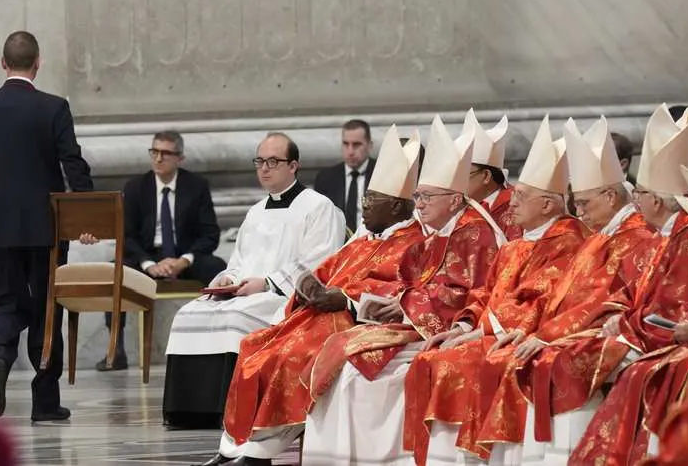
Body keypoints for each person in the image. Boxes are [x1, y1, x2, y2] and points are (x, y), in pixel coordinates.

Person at [202, 127, 427, 466]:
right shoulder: (365, 239)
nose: (362, 207)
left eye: (371, 200)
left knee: (287, 357)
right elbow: (325, 269)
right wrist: (309, 288)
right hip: (316, 314)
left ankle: (259, 453)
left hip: (349, 321)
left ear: (396, 206)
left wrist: (343, 300)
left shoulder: (414, 243)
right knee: (254, 345)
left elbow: (399, 293)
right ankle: (230, 448)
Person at [510, 105, 688, 465]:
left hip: (664, 337)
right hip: (636, 330)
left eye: (640, 195)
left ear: (653, 200)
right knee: (546, 357)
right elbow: (627, 293)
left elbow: (673, 306)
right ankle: (552, 455)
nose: (634, 201)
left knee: (576, 362)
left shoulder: (687, 235)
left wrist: (621, 325)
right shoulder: (662, 233)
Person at [301, 115, 502, 465]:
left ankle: (381, 458)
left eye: (425, 197)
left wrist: (406, 305)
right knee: (339, 348)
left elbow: (466, 292)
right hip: (419, 318)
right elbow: (417, 280)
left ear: (455, 200)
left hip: (451, 327)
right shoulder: (442, 228)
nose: (418, 205)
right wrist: (395, 302)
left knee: (354, 368)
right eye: (418, 196)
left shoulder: (476, 233)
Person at [402, 117, 588, 465]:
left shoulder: (567, 240)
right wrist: (462, 327)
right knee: (431, 358)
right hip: (492, 333)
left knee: (448, 363)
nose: (510, 203)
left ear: (547, 205)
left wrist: (480, 332)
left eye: (520, 196)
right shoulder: (517, 244)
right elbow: (484, 293)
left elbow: (541, 299)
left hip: (520, 336)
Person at [476, 116, 655, 464]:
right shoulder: (601, 235)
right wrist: (537, 332)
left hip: (612, 332)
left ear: (610, 195)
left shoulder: (633, 237)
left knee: (540, 361)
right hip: (568, 331)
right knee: (521, 357)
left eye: (585, 203)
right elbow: (561, 294)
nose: (578, 211)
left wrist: (546, 335)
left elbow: (605, 300)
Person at [163, 132, 345, 431]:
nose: (264, 168)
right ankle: (187, 412)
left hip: (284, 297)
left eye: (273, 161)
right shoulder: (255, 212)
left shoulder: (318, 207)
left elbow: (320, 263)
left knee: (234, 317)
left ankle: (225, 407)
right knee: (189, 313)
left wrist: (268, 283)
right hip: (247, 292)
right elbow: (239, 261)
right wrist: (227, 278)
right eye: (259, 161)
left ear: (294, 165)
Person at [0, 31, 93, 423]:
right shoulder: (54, 107)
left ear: (3, 63)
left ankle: (0, 352)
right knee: (47, 308)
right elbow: (72, 162)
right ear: (38, 62)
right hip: (46, 226)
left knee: (4, 300)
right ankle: (45, 399)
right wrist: (88, 214)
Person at [97, 131, 226, 371]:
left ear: (180, 158)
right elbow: (125, 235)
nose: (158, 159)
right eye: (154, 152)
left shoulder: (196, 186)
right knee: (116, 270)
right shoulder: (136, 187)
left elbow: (210, 234)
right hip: (147, 256)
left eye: (165, 154)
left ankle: (219, 344)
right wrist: (148, 264)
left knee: (217, 267)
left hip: (183, 256)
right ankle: (116, 349)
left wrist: (184, 260)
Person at [462, 109, 522, 240]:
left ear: (486, 176)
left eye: (463, 175)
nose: (456, 183)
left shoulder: (516, 206)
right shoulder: (460, 207)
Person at [313, 119, 376, 235]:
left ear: (369, 145)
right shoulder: (325, 178)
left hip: (373, 245)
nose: (350, 151)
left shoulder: (380, 173)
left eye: (356, 145)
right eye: (346, 144)